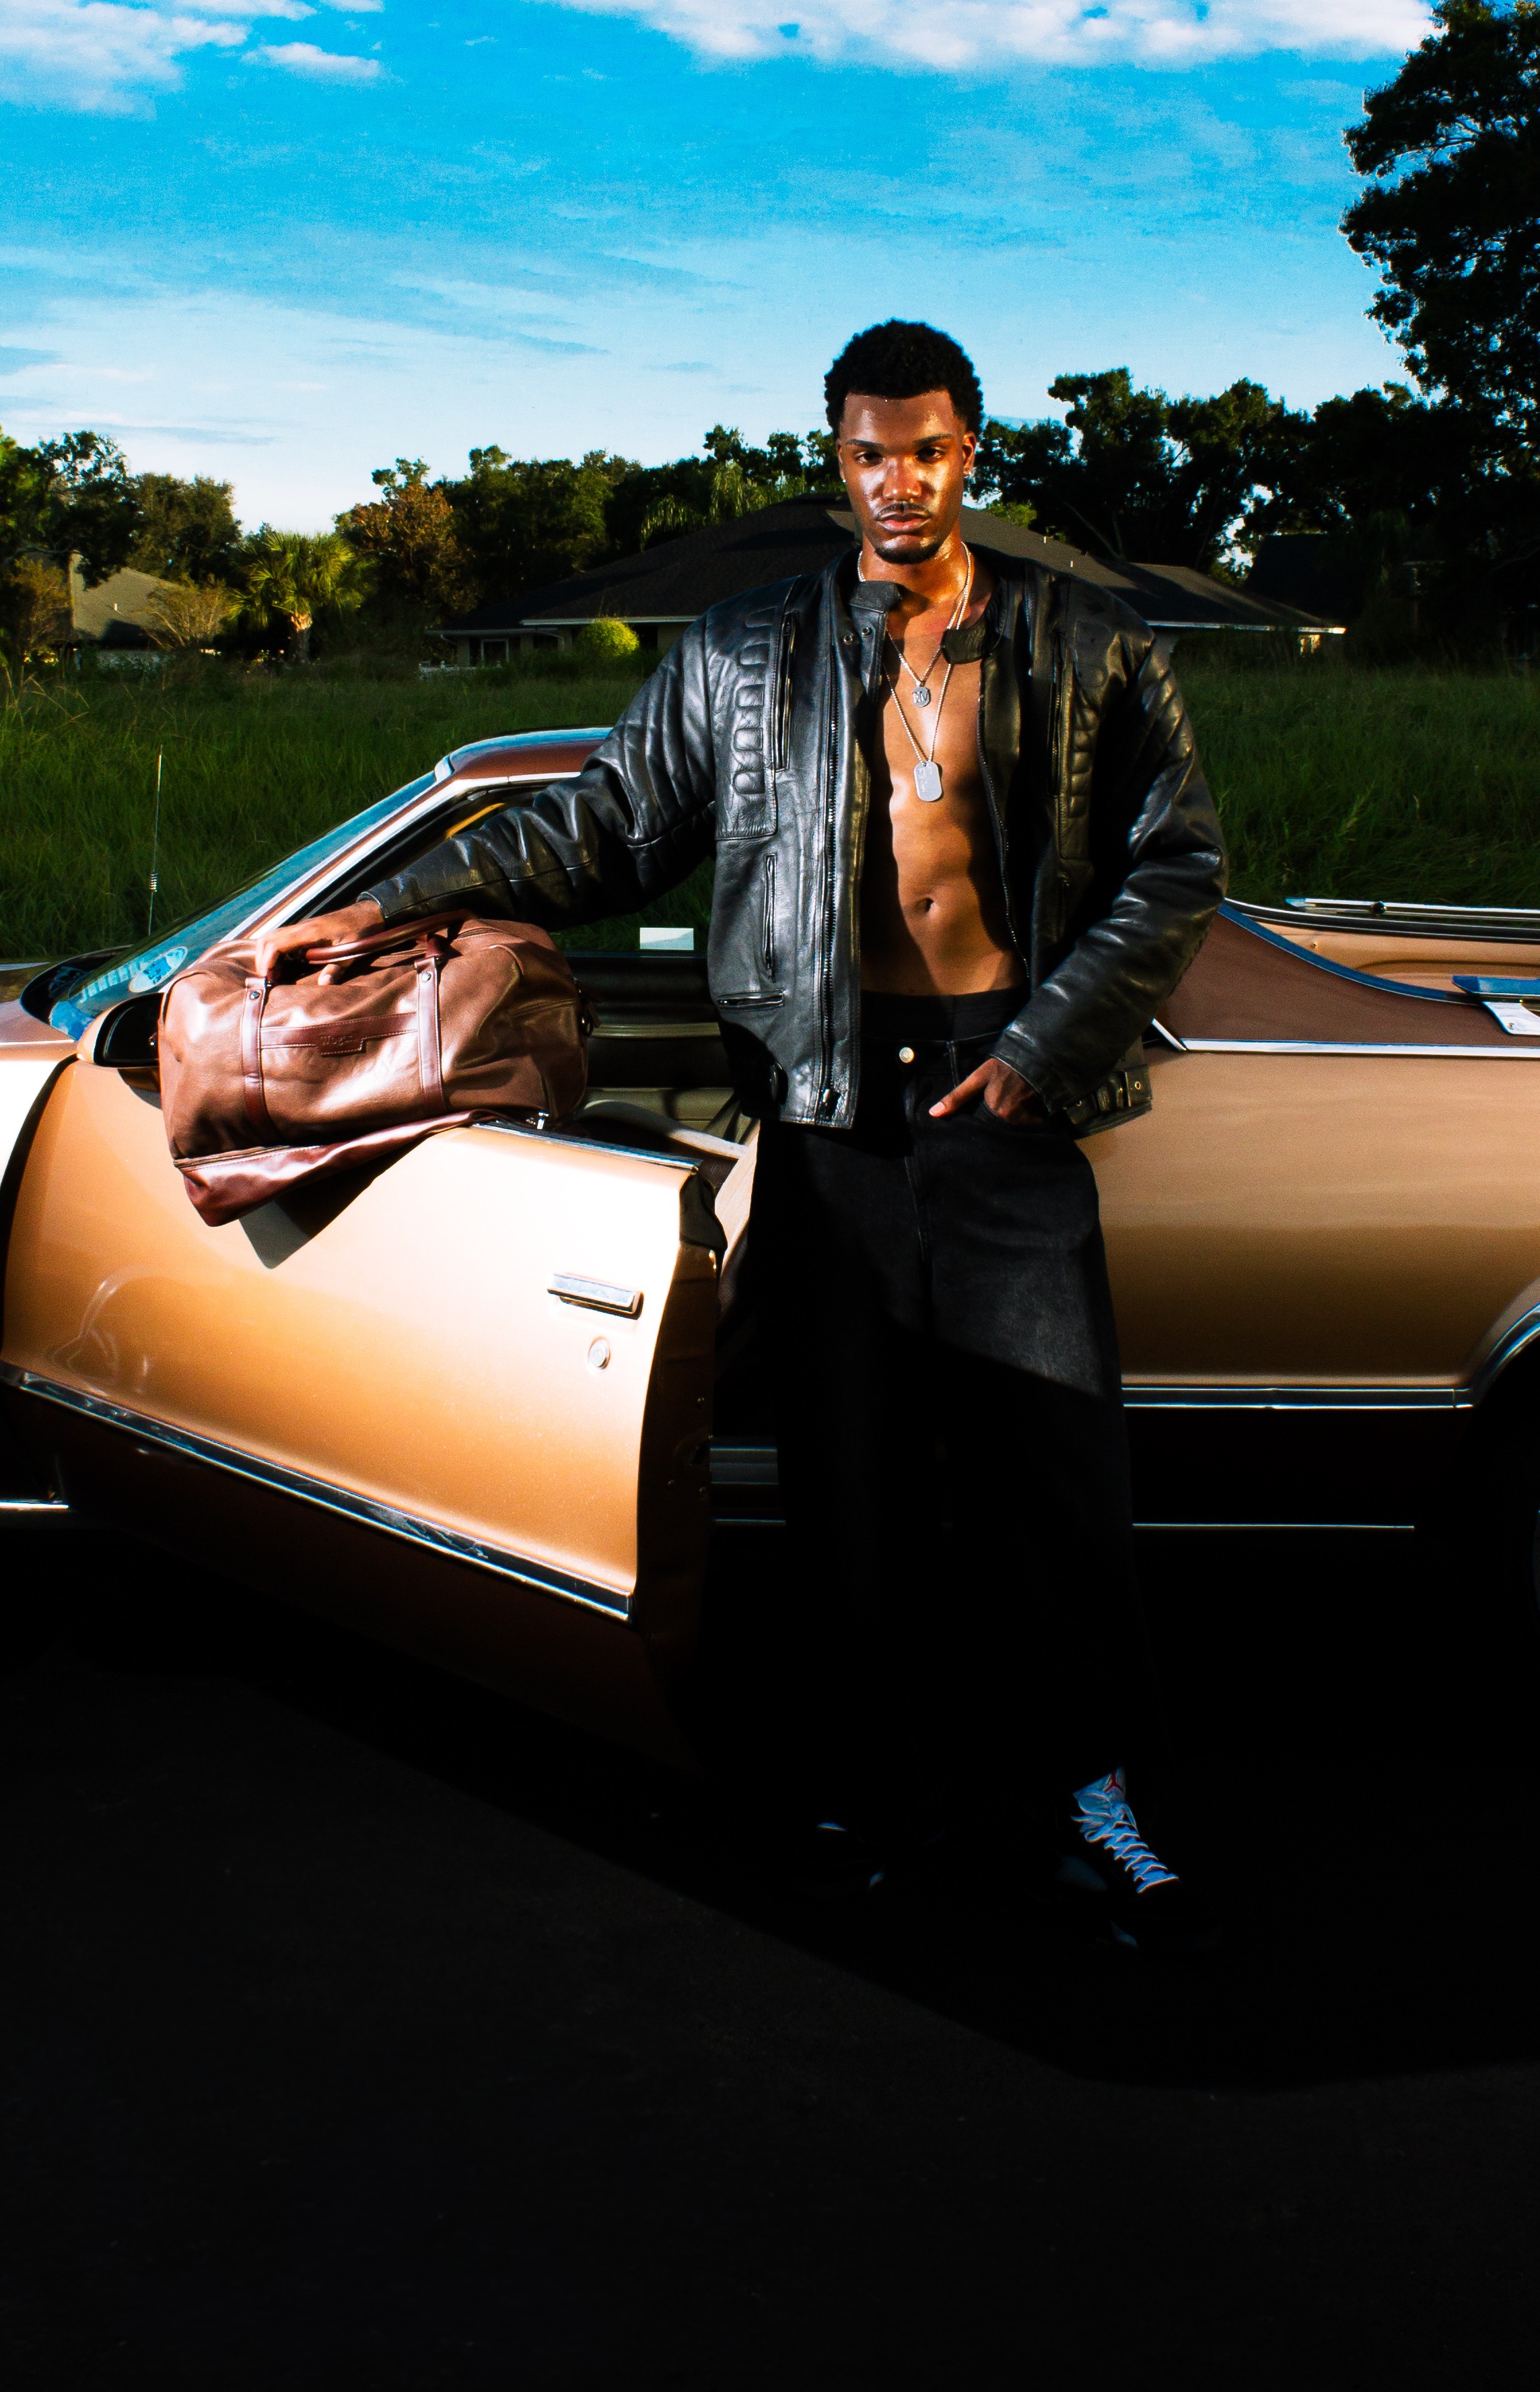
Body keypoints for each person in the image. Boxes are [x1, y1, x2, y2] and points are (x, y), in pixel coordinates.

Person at [282, 320, 1226, 1951]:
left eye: (925, 452)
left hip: (1004, 1096)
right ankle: (873, 1791)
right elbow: (606, 825)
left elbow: (1177, 857)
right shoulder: (743, 653)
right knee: (847, 1486)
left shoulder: (1083, 638)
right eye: (869, 453)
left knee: (1056, 1479)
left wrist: (1046, 1048)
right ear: (836, 462)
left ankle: (1096, 1804)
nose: (897, 481)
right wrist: (391, 901)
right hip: (825, 1106)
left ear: (969, 455)